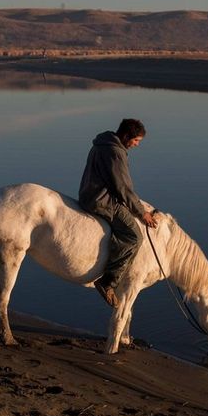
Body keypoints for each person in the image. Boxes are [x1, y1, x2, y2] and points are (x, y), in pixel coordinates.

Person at [79, 119, 157, 308]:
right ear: (126, 136)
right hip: (102, 200)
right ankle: (108, 282)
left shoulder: (103, 143)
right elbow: (123, 188)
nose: (137, 145)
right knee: (134, 236)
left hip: (88, 194)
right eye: (136, 140)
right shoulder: (115, 152)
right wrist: (141, 213)